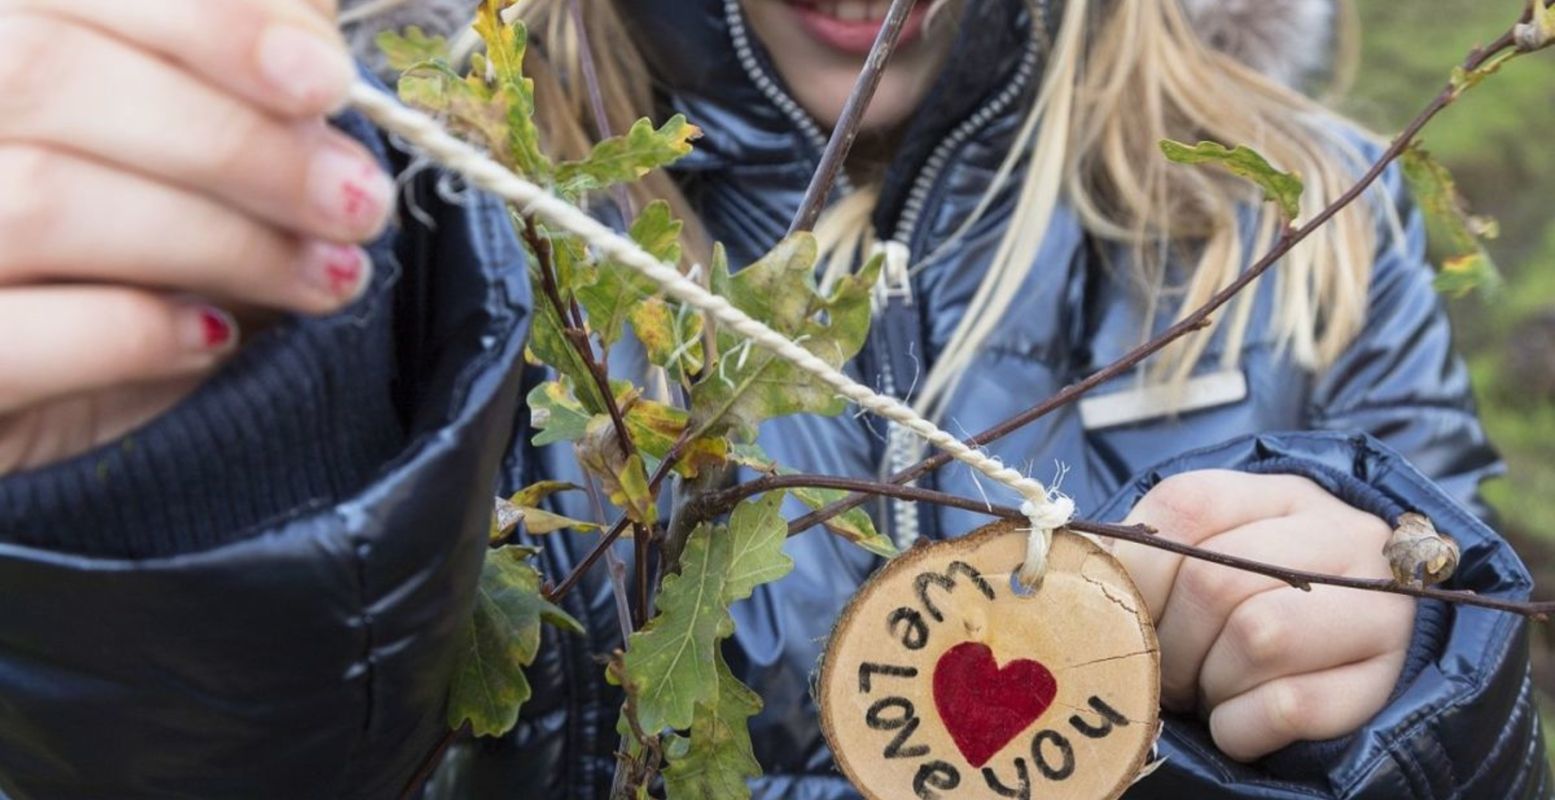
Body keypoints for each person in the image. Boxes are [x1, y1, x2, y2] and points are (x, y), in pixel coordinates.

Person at [0, 0, 1541, 797]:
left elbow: (1464, 657)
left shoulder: (1312, 220)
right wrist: (171, 481)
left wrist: (1401, 684)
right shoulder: (391, 210)